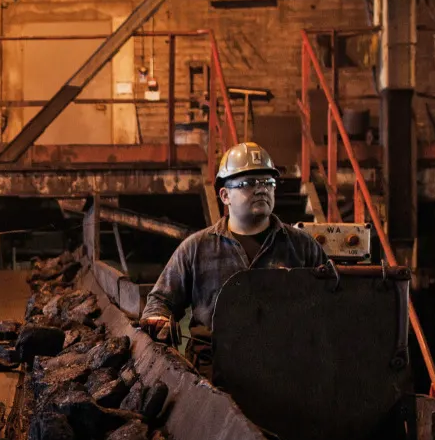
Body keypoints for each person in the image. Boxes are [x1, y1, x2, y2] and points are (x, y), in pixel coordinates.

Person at [140, 142, 333, 340]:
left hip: (285, 355)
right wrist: (158, 318)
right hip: (214, 357)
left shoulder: (302, 246)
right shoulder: (196, 248)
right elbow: (160, 301)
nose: (261, 189)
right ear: (225, 196)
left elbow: (333, 299)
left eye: (268, 182)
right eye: (248, 183)